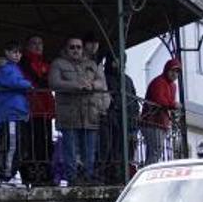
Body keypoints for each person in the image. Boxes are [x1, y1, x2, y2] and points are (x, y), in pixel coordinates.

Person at [50, 36, 109, 184]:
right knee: (70, 149)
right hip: (69, 114)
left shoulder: (91, 64)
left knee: (89, 150)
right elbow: (54, 82)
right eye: (72, 47)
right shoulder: (58, 64)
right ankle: (73, 177)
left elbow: (101, 82)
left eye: (79, 47)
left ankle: (88, 176)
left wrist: (92, 85)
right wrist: (76, 85)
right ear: (66, 48)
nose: (76, 50)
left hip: (90, 113)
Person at [0, 41, 32, 183]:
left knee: (20, 146)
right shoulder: (4, 68)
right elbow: (14, 82)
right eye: (14, 52)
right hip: (10, 114)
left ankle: (10, 174)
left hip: (18, 112)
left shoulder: (15, 68)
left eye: (19, 52)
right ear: (7, 52)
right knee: (12, 145)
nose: (17, 55)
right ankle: (5, 176)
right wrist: (29, 84)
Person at [20, 35, 56, 186]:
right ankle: (32, 177)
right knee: (33, 144)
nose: (37, 46)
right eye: (34, 43)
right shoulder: (24, 63)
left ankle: (45, 176)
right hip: (31, 108)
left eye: (40, 43)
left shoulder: (45, 63)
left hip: (45, 108)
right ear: (28, 46)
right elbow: (35, 81)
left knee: (45, 143)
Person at [100, 49, 140, 183]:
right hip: (113, 120)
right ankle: (112, 176)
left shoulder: (127, 80)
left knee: (126, 151)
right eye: (116, 59)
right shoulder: (106, 78)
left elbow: (134, 99)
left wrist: (135, 117)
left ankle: (123, 175)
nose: (119, 62)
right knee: (112, 150)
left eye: (121, 59)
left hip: (128, 121)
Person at [140, 57, 181, 166]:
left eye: (177, 72)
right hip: (151, 122)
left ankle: (148, 171)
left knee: (156, 151)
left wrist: (173, 112)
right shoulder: (159, 82)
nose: (175, 74)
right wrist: (174, 105)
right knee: (155, 151)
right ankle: (148, 173)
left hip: (161, 123)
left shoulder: (173, 86)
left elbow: (168, 102)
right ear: (167, 70)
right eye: (172, 71)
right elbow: (160, 99)